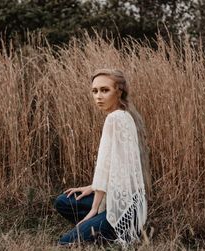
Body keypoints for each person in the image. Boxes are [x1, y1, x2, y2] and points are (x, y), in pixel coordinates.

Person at [54, 69, 151, 247]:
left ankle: (115, 230)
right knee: (63, 201)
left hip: (124, 210)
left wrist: (93, 209)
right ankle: (104, 227)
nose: (98, 96)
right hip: (132, 206)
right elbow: (116, 168)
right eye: (95, 91)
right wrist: (92, 187)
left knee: (65, 243)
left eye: (105, 90)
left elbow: (107, 167)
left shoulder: (114, 119)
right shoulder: (125, 115)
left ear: (119, 91)